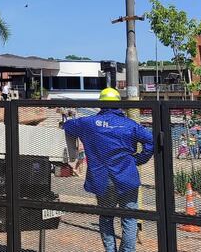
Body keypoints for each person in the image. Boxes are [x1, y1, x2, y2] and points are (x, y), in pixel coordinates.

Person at [63, 88, 154, 252]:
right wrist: (139, 160)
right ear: (119, 104)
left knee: (106, 217)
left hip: (101, 179)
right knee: (130, 219)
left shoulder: (88, 123)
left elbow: (68, 126)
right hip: (127, 176)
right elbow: (151, 142)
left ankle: (110, 250)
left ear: (101, 103)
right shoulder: (130, 125)